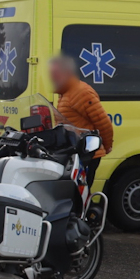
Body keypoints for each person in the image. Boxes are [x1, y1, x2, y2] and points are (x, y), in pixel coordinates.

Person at [49, 55, 114, 185]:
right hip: (75, 153)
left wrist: (106, 146)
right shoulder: (65, 93)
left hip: (87, 154)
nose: (52, 78)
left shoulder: (81, 92)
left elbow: (103, 123)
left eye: (56, 74)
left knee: (81, 190)